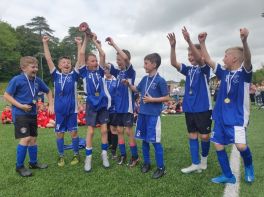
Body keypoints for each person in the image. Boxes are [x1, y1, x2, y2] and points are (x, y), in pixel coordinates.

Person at [199, 28, 254, 184]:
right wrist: (202, 43)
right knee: (218, 145)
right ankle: (228, 175)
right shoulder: (223, 72)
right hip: (221, 117)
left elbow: (248, 60)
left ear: (235, 58)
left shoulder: (244, 73)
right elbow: (208, 60)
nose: (223, 59)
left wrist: (244, 41)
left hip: (237, 118)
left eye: (225, 56)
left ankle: (249, 166)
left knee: (241, 146)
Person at [167, 27, 212, 173]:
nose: (190, 57)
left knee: (204, 136)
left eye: (192, 54)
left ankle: (203, 161)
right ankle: (195, 163)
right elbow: (174, 63)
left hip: (203, 107)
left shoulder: (205, 68)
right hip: (189, 108)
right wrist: (173, 47)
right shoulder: (188, 70)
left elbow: (200, 59)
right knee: (192, 135)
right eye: (189, 55)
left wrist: (189, 40)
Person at [3, 56, 54, 177]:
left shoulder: (37, 81)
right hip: (20, 114)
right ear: (23, 68)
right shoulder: (17, 79)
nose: (35, 69)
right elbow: (7, 95)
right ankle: (19, 166)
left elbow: (49, 91)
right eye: (33, 67)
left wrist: (51, 104)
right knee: (25, 138)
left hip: (32, 114)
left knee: (33, 139)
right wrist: (20, 106)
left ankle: (33, 163)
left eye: (36, 66)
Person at [125, 53, 170, 179]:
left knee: (155, 142)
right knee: (144, 140)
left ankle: (161, 168)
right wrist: (129, 84)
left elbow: (167, 97)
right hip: (142, 115)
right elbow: (136, 89)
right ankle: (147, 163)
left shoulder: (160, 80)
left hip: (153, 116)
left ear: (154, 64)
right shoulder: (144, 79)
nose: (144, 66)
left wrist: (152, 99)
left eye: (146, 63)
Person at [42, 35, 81, 166]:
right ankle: (61, 156)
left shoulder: (74, 75)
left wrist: (79, 44)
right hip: (59, 110)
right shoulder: (56, 75)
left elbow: (80, 59)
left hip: (72, 110)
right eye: (64, 62)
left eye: (69, 63)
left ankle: (76, 155)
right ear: (59, 65)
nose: (67, 64)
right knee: (59, 133)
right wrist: (45, 43)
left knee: (74, 132)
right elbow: (48, 58)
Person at [79, 32, 111, 172]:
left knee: (104, 130)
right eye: (92, 61)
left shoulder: (100, 72)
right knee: (91, 132)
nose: (96, 62)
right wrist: (86, 39)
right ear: (86, 63)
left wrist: (94, 41)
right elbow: (81, 54)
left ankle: (104, 155)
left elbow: (102, 55)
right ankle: (88, 158)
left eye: (95, 61)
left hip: (102, 103)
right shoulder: (84, 73)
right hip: (91, 104)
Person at [105, 37, 139, 167]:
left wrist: (114, 44)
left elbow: (125, 58)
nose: (118, 61)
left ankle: (135, 157)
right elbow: (105, 65)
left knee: (129, 132)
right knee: (119, 131)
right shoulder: (118, 73)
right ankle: (123, 155)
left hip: (127, 108)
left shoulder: (130, 71)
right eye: (117, 60)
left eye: (119, 59)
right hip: (118, 108)